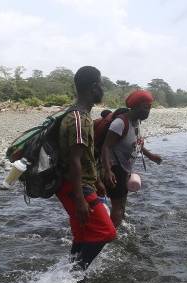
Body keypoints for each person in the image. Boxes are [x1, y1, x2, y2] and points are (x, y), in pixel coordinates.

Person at [56, 66, 116, 269]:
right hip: (76, 186)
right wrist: (80, 199)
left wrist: (98, 180)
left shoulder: (79, 114)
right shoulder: (79, 119)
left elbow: (86, 155)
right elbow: (75, 160)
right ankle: (76, 274)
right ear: (93, 87)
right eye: (100, 83)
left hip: (75, 184)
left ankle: (67, 274)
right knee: (107, 232)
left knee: (83, 234)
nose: (102, 88)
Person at [101, 90, 162, 227]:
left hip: (125, 168)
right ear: (136, 106)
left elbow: (137, 144)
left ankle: (118, 230)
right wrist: (107, 170)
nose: (148, 111)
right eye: (145, 107)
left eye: (150, 108)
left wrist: (151, 156)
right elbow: (106, 147)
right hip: (115, 169)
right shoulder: (120, 123)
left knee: (122, 203)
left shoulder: (136, 122)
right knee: (117, 207)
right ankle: (110, 238)